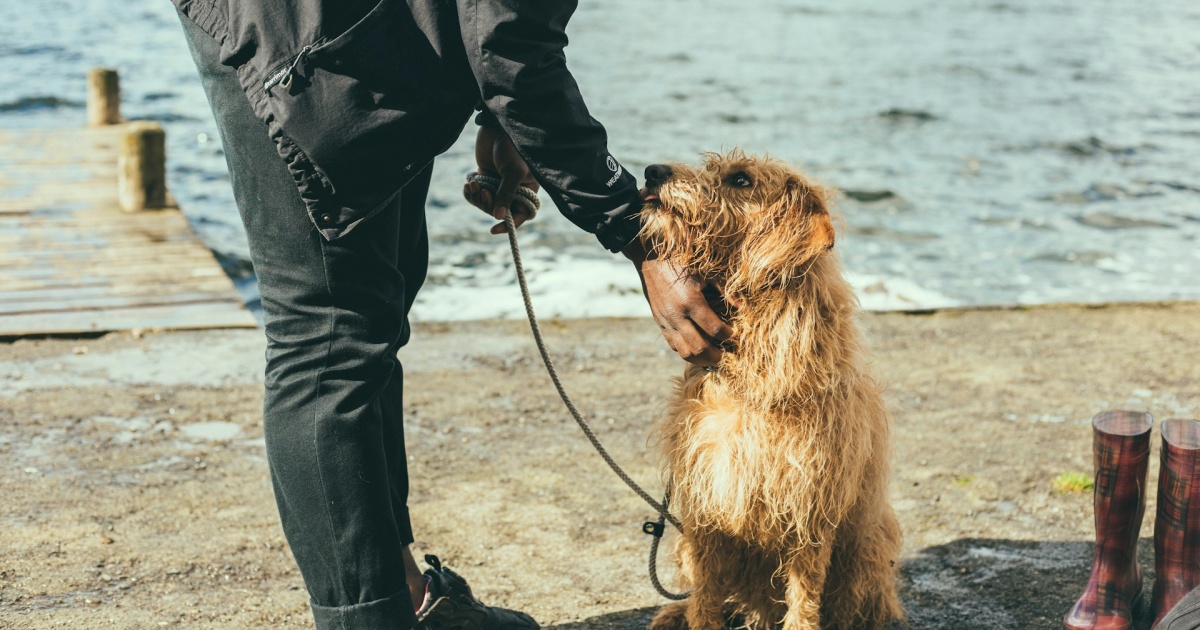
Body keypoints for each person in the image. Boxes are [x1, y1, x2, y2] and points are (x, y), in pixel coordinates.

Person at [171, 1, 732, 628]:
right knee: (329, 335)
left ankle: (407, 593)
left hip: (365, 25)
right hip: (295, 32)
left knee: (375, 311)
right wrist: (639, 236)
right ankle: (369, 619)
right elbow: (509, 42)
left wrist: (497, 113)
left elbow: (496, 26)